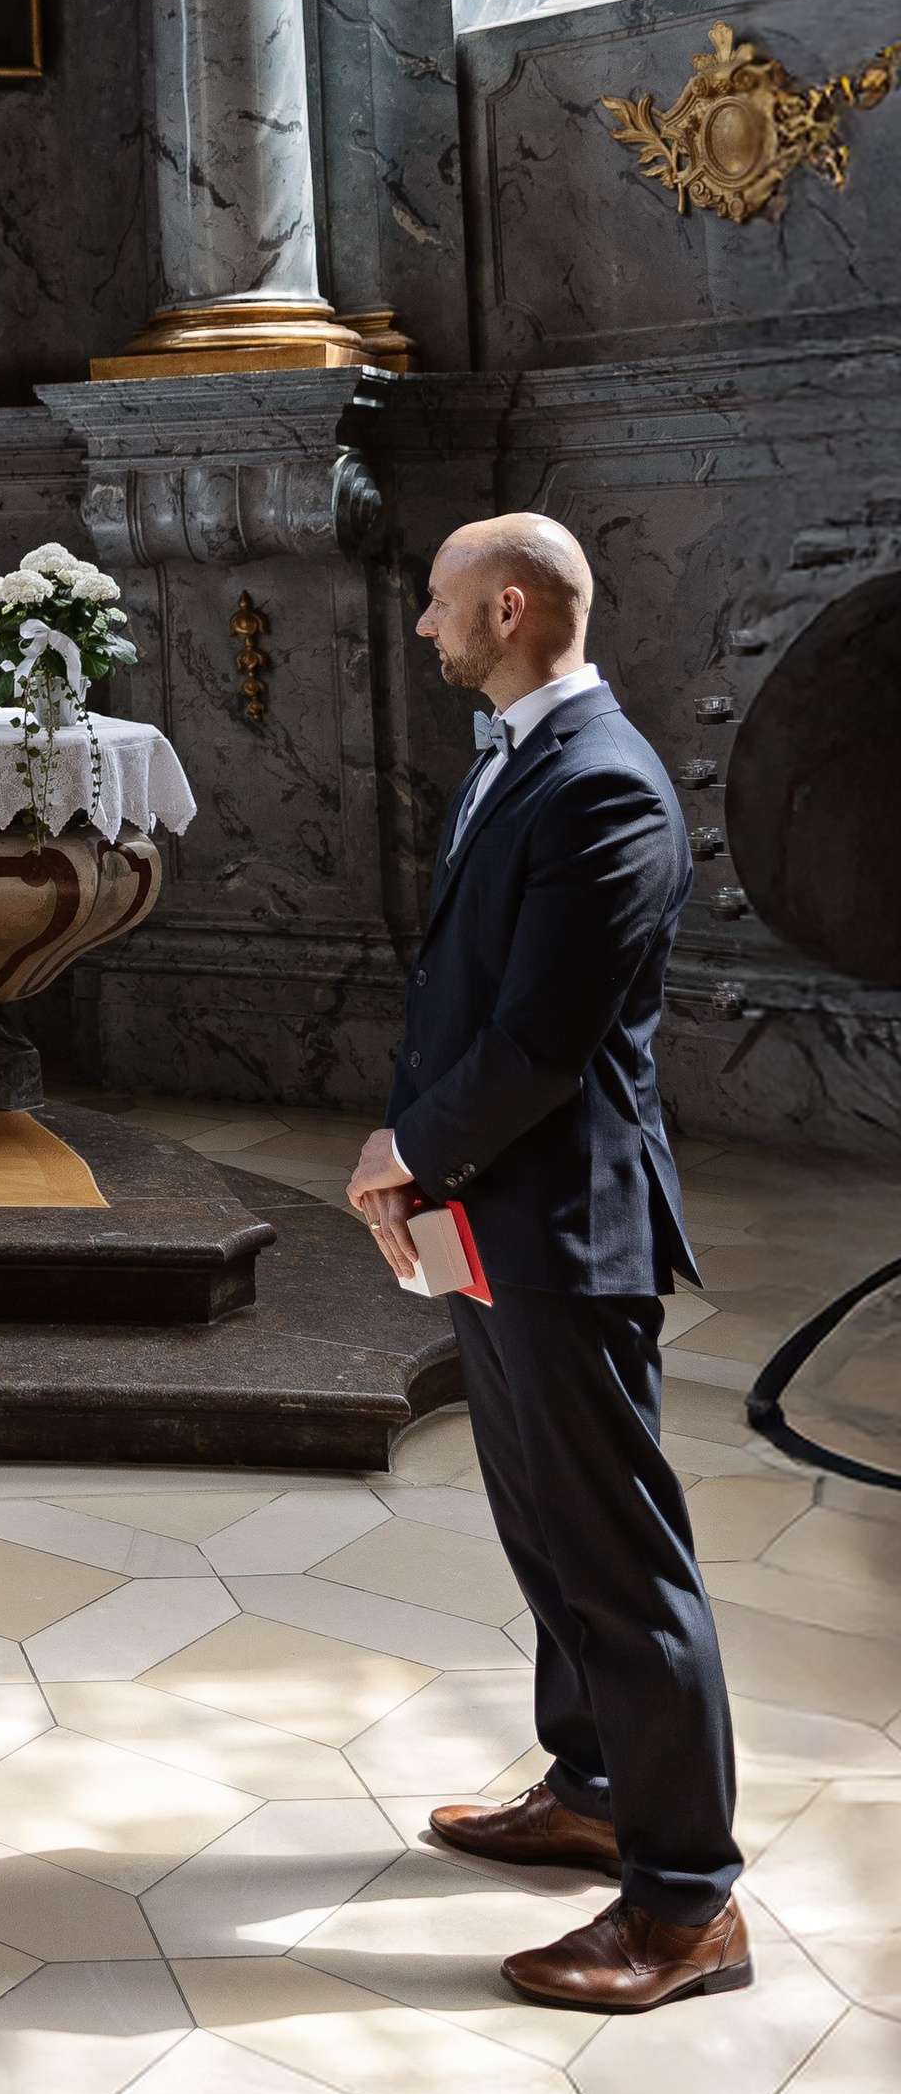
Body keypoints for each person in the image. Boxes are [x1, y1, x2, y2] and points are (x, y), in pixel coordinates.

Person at [346, 511, 745, 2013]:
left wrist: (409, 1149)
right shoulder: (515, 754)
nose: (428, 623)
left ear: (509, 607)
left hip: (568, 1230)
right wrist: (419, 1145)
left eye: (445, 602)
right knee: (542, 1529)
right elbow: (466, 998)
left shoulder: (604, 787)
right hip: (494, 1219)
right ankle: (589, 1787)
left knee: (623, 1564)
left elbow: (543, 1043)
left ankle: (689, 1902)